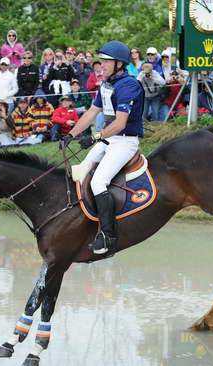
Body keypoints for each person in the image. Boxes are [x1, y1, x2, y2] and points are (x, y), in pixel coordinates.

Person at [60, 41, 144, 255]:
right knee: (80, 172)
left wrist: (95, 137)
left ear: (119, 63)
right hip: (109, 139)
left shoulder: (129, 85)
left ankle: (108, 235)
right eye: (101, 61)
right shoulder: (106, 84)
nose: (101, 65)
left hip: (125, 141)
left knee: (99, 181)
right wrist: (71, 134)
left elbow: (119, 124)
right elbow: (91, 113)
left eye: (106, 61)